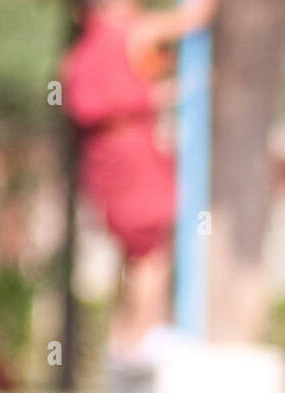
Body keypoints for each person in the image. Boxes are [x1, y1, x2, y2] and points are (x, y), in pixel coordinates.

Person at [61, 0, 219, 361]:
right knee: (152, 251)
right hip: (134, 156)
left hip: (104, 160)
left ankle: (126, 340)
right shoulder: (129, 32)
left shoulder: (81, 53)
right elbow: (194, 18)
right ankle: (145, 337)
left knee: (131, 252)